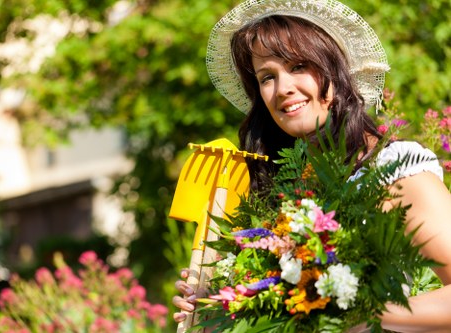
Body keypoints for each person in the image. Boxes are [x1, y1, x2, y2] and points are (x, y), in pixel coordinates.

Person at [172, 0, 451, 331]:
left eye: (299, 65)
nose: (284, 88)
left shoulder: (396, 170)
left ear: (337, 70)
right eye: (266, 77)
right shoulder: (283, 190)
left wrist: (355, 309)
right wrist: (220, 302)